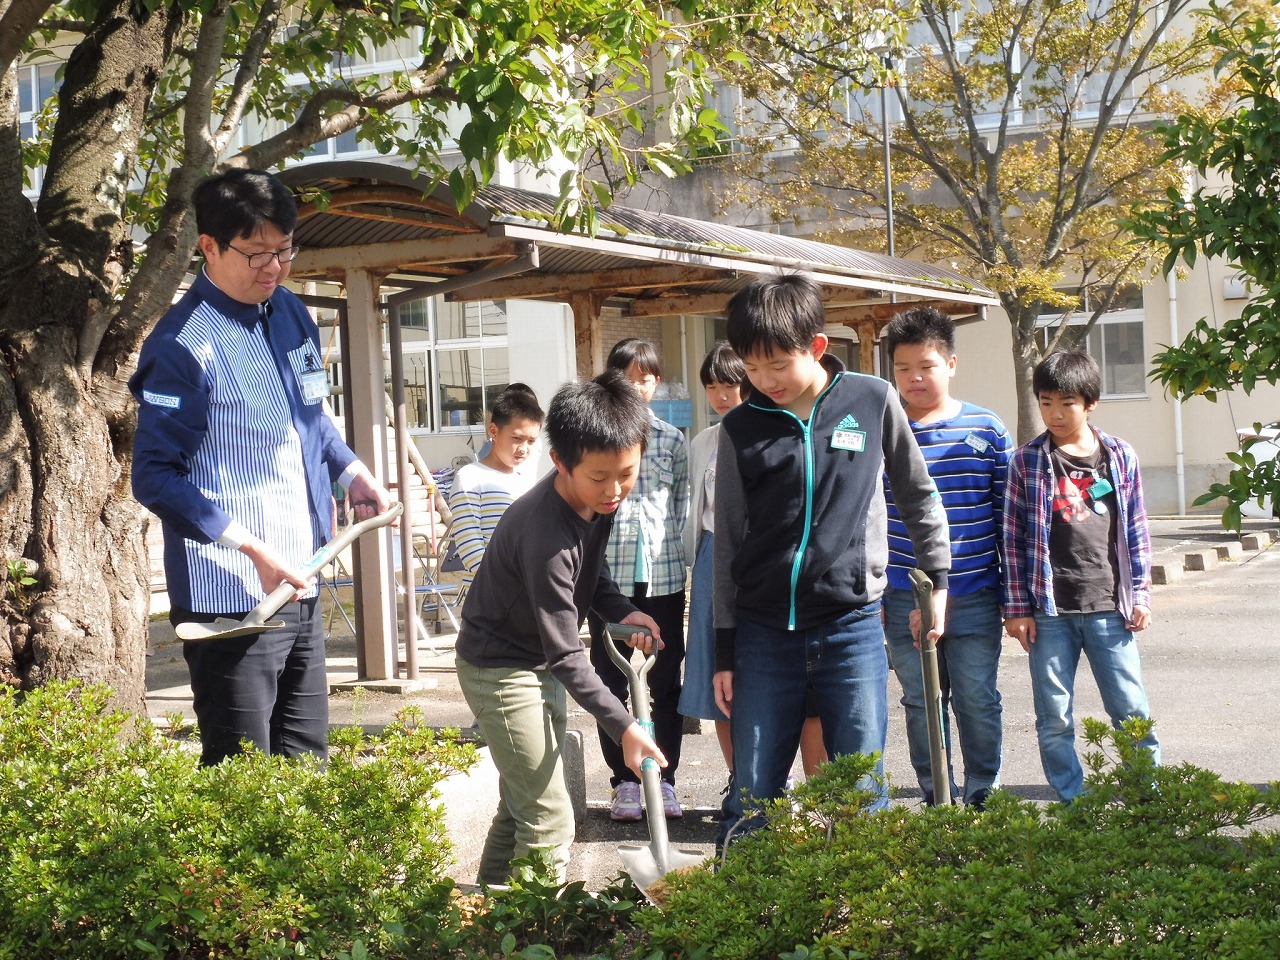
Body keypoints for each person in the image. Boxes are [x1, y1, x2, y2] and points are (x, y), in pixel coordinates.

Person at [130, 168, 391, 767]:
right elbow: (155, 476)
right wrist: (251, 548)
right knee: (242, 775)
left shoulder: (293, 314)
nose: (273, 267)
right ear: (210, 248)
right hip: (230, 596)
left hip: (302, 576)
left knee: (307, 765)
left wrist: (352, 473)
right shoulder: (181, 346)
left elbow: (311, 417)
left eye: (284, 251)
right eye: (256, 254)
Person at [713, 273, 950, 843]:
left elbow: (918, 495)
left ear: (816, 347)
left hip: (853, 627)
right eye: (752, 366)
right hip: (764, 632)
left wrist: (937, 580)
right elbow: (727, 539)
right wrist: (724, 647)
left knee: (861, 787)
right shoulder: (740, 427)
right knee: (753, 792)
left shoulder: (871, 400)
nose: (764, 381)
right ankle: (743, 918)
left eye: (777, 365)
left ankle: (865, 918)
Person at [454, 371, 667, 885]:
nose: (615, 490)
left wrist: (622, 607)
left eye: (627, 473)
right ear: (560, 462)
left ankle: (491, 918)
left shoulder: (596, 498)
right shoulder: (544, 531)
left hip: (534, 662)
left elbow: (591, 576)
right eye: (600, 477)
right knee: (549, 818)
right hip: (499, 669)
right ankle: (536, 934)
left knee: (522, 803)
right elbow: (567, 653)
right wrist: (626, 726)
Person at [1002, 351, 1160, 803]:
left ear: (1090, 403)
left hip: (1112, 605)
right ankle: (1074, 802)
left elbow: (1136, 529)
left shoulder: (1118, 455)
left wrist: (1142, 596)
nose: (1054, 413)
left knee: (1130, 709)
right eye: (1045, 401)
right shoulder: (1026, 462)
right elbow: (1011, 539)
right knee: (1053, 715)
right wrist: (1016, 609)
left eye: (1066, 403)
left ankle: (1146, 799)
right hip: (1049, 610)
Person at [882, 307, 1011, 809]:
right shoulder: (883, 430)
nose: (914, 378)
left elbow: (1006, 517)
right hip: (900, 594)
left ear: (951, 364)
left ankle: (983, 792)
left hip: (975, 593)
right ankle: (938, 793)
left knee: (978, 700)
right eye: (902, 368)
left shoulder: (987, 427)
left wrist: (1013, 597)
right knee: (921, 701)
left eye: (926, 365)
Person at [680, 341, 826, 776]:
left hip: (771, 560)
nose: (721, 395)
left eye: (730, 384)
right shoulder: (705, 441)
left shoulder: (780, 429)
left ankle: (815, 791)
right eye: (711, 386)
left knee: (801, 683)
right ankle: (740, 785)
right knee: (718, 681)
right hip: (713, 559)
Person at [588, 338, 689, 822]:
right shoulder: (597, 438)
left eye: (646, 378)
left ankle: (663, 779)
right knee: (609, 679)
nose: (639, 386)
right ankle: (624, 783)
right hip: (608, 578)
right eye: (628, 377)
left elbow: (682, 505)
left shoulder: (672, 438)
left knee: (665, 683)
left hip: (664, 575)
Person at [447, 385, 545, 591]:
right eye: (517, 438)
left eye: (531, 441)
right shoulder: (470, 477)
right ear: (494, 431)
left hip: (526, 594)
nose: (524, 449)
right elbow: (469, 546)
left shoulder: (525, 481)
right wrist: (506, 586)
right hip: (489, 598)